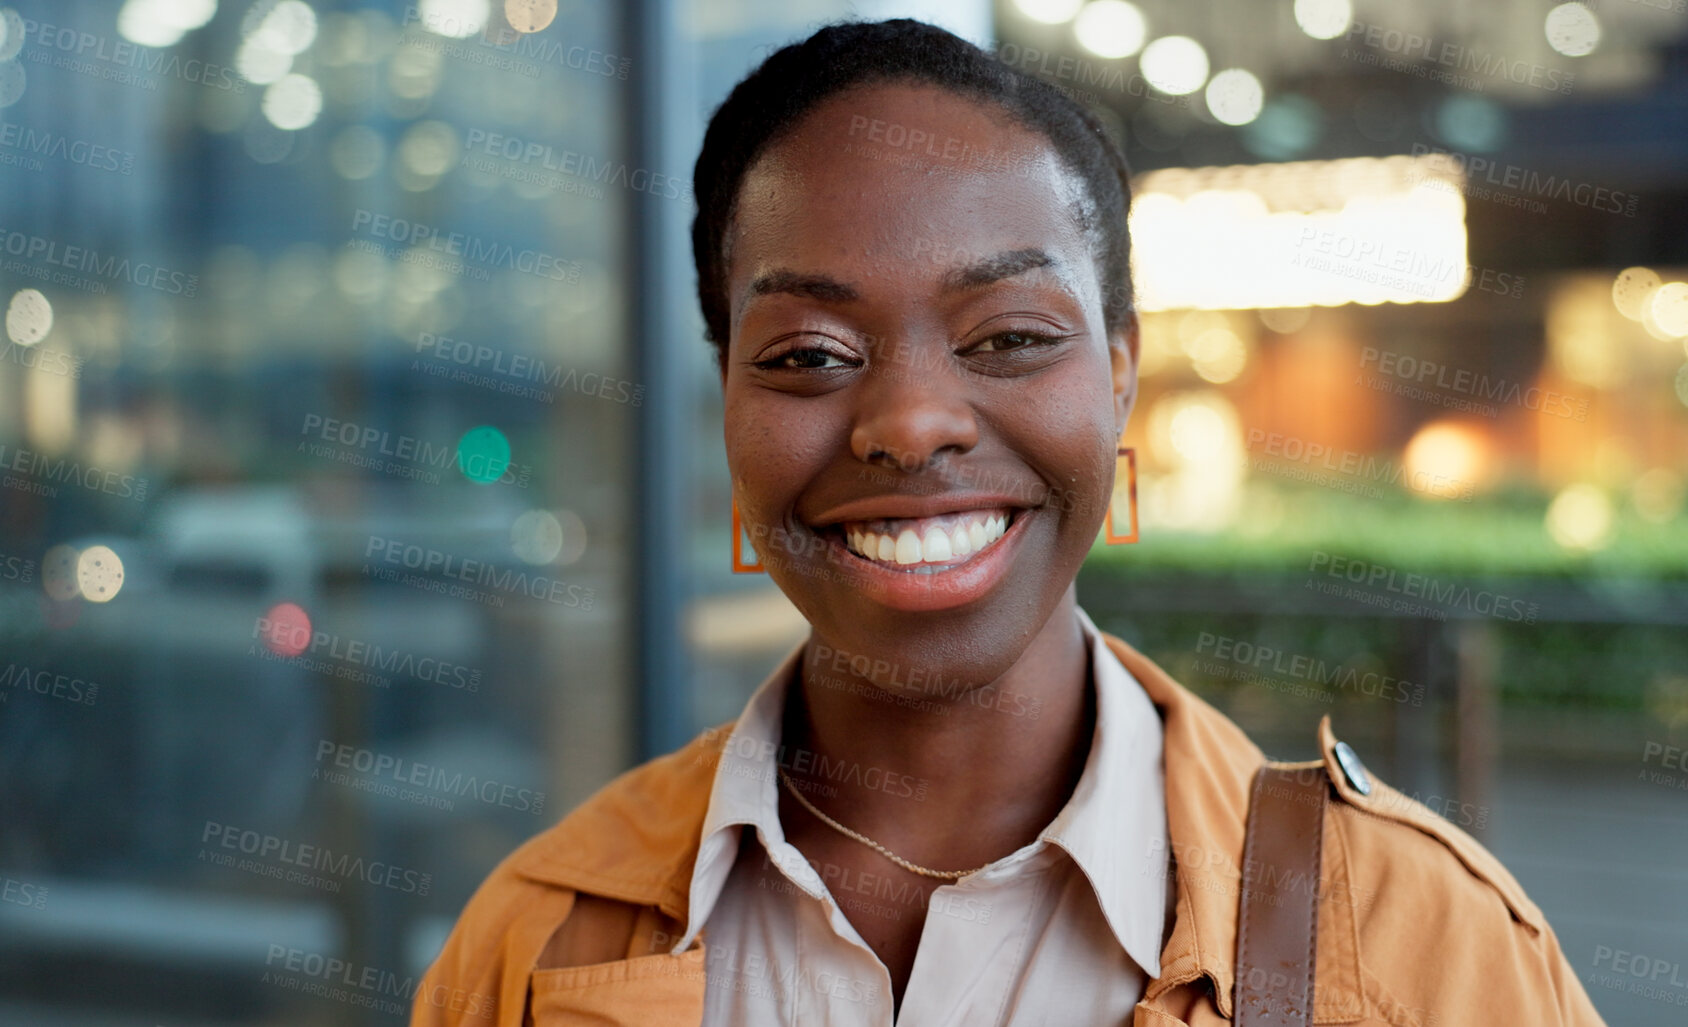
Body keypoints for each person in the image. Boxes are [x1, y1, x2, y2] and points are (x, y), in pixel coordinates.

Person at [410, 18, 1606, 1027]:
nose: (913, 422)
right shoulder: (532, 944)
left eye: (1012, 337)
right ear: (724, 397)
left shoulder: (1431, 950)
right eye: (809, 354)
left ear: (1123, 375)